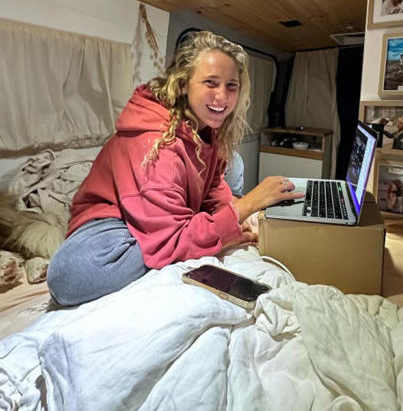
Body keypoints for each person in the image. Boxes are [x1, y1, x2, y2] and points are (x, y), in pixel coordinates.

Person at [46, 31, 304, 306]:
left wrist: (234, 208)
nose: (222, 96)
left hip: (159, 213)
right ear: (183, 84)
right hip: (114, 218)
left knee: (234, 167)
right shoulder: (157, 145)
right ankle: (190, 235)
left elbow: (212, 181)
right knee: (69, 277)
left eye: (231, 86)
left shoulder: (206, 128)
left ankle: (193, 231)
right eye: (210, 83)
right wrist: (246, 206)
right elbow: (170, 238)